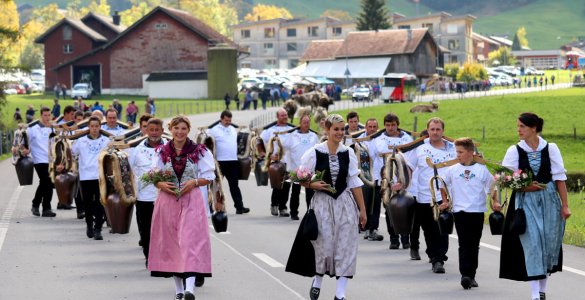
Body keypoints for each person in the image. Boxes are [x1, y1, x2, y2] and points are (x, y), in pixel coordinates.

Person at [498, 112, 571, 300]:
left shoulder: (551, 148)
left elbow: (560, 178)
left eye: (522, 126)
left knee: (548, 244)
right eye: (518, 126)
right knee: (532, 244)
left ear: (533, 128)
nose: (518, 130)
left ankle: (542, 290)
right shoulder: (514, 150)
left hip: (549, 201)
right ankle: (534, 294)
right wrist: (525, 187)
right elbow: (505, 179)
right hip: (525, 203)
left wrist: (565, 206)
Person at [297, 114, 367, 300]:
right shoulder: (315, 152)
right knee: (324, 246)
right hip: (322, 204)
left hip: (344, 203)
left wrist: (363, 210)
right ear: (327, 130)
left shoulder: (348, 152)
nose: (339, 133)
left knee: (346, 246)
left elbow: (354, 182)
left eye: (342, 129)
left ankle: (340, 293)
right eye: (335, 129)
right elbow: (300, 177)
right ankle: (317, 280)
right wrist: (312, 185)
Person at [148, 116, 215, 300]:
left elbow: (209, 176)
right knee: (172, 244)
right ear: (170, 129)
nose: (180, 132)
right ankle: (178, 290)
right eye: (176, 128)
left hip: (191, 199)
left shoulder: (199, 151)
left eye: (183, 128)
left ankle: (190, 290)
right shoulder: (162, 151)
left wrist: (194, 182)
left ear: (188, 130)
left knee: (189, 242)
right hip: (168, 201)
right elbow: (153, 175)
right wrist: (160, 184)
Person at [440, 137, 496, 289]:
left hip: (477, 212)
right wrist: (445, 201)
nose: (457, 155)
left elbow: (493, 187)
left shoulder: (481, 170)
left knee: (474, 244)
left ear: (471, 152)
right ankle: (465, 274)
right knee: (463, 243)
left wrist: (495, 202)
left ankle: (472, 274)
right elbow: (442, 184)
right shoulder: (452, 170)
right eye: (456, 152)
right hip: (460, 212)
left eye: (460, 152)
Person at [406, 117, 456, 274]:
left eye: (438, 129)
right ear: (427, 131)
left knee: (442, 227)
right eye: (432, 129)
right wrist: (402, 184)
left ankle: (438, 258)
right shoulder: (419, 148)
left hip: (445, 195)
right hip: (425, 195)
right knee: (429, 229)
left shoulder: (452, 148)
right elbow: (409, 168)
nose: (435, 132)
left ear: (443, 131)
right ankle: (434, 254)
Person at [129, 117, 167, 266]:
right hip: (144, 197)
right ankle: (149, 256)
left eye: (157, 130)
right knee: (146, 230)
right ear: (146, 131)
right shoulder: (137, 149)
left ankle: (163, 256)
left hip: (165, 196)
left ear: (162, 131)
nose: (154, 133)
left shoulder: (170, 148)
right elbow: (130, 171)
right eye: (151, 130)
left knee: (164, 230)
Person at [372, 113, 414, 248]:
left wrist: (397, 150)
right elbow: (381, 150)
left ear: (397, 125)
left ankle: (406, 238)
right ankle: (394, 238)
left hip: (404, 179)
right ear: (384, 126)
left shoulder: (407, 137)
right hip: (387, 179)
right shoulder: (379, 138)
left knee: (405, 209)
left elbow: (410, 153)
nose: (391, 128)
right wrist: (399, 149)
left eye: (393, 125)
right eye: (388, 125)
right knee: (390, 209)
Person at [69, 116, 110, 239]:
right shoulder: (81, 141)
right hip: (86, 177)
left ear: (100, 127)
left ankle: (98, 229)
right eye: (92, 126)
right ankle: (89, 225)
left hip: (100, 176)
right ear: (88, 127)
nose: (94, 129)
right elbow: (73, 152)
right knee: (87, 204)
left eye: (96, 126)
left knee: (100, 203)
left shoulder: (106, 141)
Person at [208, 110, 250, 214]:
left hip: (232, 161)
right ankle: (210, 206)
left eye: (230, 120)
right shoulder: (213, 130)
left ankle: (239, 207)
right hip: (219, 162)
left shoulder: (232, 129)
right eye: (226, 120)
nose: (228, 122)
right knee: (215, 186)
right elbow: (207, 142)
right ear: (221, 119)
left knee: (234, 185)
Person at [279, 114, 319, 220]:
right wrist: (279, 137)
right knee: (295, 191)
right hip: (296, 169)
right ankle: (294, 212)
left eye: (308, 122)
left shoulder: (314, 136)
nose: (306, 124)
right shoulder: (292, 136)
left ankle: (310, 213)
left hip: (310, 170)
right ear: (300, 123)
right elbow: (283, 146)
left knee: (310, 193)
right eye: (304, 122)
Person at [260, 108, 294, 217]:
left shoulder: (292, 129)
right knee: (277, 186)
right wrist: (267, 155)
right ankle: (274, 205)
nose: (285, 117)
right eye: (282, 115)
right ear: (277, 117)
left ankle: (283, 207)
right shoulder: (270, 130)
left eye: (286, 115)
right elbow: (258, 141)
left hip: (289, 162)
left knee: (287, 186)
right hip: (276, 162)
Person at [23, 107, 56, 217]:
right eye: (45, 115)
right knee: (46, 180)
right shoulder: (33, 129)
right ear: (41, 116)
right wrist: (25, 149)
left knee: (47, 183)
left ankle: (38, 205)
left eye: (49, 115)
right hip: (39, 160)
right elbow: (24, 140)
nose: (47, 118)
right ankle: (45, 207)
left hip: (50, 160)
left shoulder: (52, 128)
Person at [357, 118, 384, 241]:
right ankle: (365, 227)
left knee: (376, 204)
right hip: (364, 177)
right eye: (370, 127)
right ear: (366, 127)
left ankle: (373, 229)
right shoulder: (359, 141)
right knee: (365, 203)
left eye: (374, 127)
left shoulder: (381, 139)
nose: (372, 129)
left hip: (377, 176)